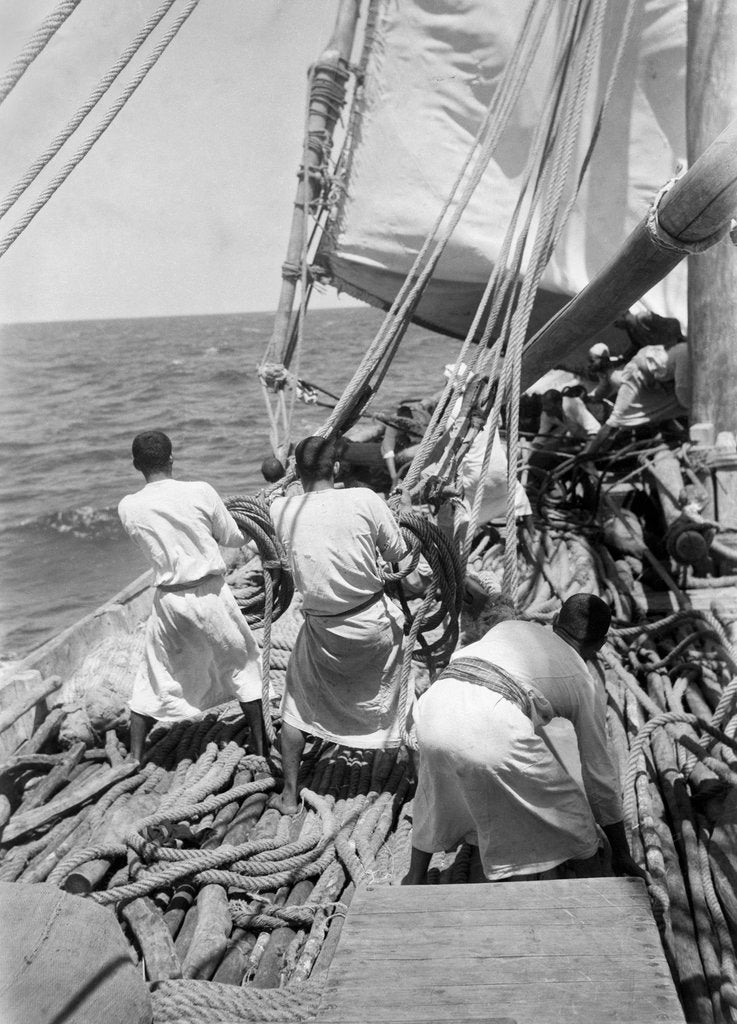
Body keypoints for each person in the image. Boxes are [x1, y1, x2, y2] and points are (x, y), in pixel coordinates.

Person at [403, 593, 642, 884]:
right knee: (577, 822)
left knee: (435, 794)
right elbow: (598, 774)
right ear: (600, 644)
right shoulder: (582, 680)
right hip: (490, 723)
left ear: (554, 620)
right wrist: (622, 851)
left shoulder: (511, 628)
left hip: (433, 708)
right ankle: (595, 894)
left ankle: (414, 879)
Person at [269, 435, 411, 813]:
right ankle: (398, 780)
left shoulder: (281, 511)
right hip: (372, 624)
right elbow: (399, 552)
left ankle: (288, 795)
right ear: (336, 468)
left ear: (296, 473)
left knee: (294, 706)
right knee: (401, 699)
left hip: (324, 631)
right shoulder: (366, 499)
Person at [118, 431, 266, 761]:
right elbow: (233, 537)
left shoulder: (128, 506)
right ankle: (260, 745)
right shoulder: (200, 490)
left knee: (154, 673)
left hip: (168, 601)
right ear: (171, 459)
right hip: (211, 595)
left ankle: (136, 755)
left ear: (136, 465)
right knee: (244, 664)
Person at [586, 341, 690, 456]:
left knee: (672, 407)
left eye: (592, 361)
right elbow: (603, 389)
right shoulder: (603, 374)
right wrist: (593, 398)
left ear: (603, 358)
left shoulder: (619, 363)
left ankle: (589, 454)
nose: (590, 365)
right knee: (658, 417)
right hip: (638, 393)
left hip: (638, 388)